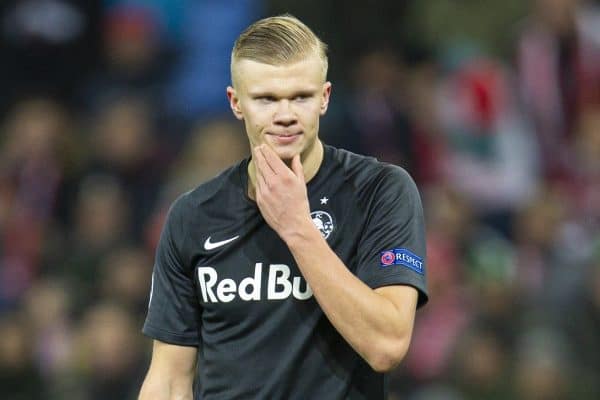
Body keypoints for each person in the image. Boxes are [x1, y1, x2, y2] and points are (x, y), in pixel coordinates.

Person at [138, 14, 428, 400]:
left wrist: (297, 228)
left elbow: (386, 346)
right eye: (266, 99)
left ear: (324, 97)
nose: (286, 114)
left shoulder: (380, 192)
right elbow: (169, 380)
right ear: (236, 103)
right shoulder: (193, 215)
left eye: (301, 97)